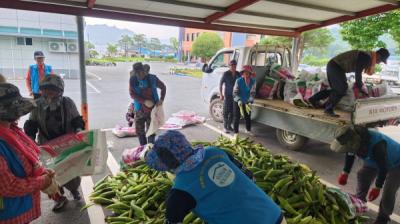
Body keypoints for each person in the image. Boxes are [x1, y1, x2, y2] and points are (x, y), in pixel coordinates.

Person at [144, 130, 285, 224]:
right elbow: (250, 176)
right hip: (274, 214)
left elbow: (172, 221)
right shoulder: (215, 152)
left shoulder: (180, 192)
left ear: (165, 165)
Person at [24, 75, 85, 212]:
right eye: (46, 89)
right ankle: (59, 197)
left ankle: (74, 190)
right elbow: (31, 124)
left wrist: (79, 130)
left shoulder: (67, 102)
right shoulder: (38, 104)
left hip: (66, 144)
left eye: (52, 90)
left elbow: (77, 119)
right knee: (51, 174)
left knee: (71, 171)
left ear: (60, 90)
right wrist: (30, 139)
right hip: (46, 145)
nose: (49, 93)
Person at [0, 83, 54, 224]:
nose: (19, 115)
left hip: (20, 209)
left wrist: (40, 172)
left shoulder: (10, 130)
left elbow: (22, 160)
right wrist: (41, 181)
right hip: (8, 216)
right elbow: (8, 186)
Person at [332, 126, 400, 224]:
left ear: (354, 142)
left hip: (397, 163)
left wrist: (377, 187)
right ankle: (360, 202)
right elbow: (350, 154)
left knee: (388, 191)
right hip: (376, 160)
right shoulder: (351, 141)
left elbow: (383, 168)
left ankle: (383, 218)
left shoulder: (377, 145)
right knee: (363, 175)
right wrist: (345, 172)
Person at [309, 48, 390, 117]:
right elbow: (358, 73)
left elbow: (358, 74)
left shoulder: (368, 56)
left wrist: (360, 85)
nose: (379, 62)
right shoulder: (367, 57)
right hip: (335, 66)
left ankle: (313, 99)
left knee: (337, 89)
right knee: (342, 89)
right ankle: (328, 109)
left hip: (335, 66)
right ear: (378, 55)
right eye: (381, 60)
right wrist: (361, 87)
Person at [129, 62, 166, 146]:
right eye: (137, 74)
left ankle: (150, 149)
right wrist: (144, 101)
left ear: (144, 71)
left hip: (152, 110)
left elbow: (163, 87)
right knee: (139, 131)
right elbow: (132, 94)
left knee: (151, 131)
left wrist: (161, 99)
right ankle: (143, 149)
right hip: (139, 110)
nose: (139, 76)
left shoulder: (152, 79)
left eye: (141, 73)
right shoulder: (133, 79)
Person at [233, 65, 256, 136]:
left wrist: (250, 100)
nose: (246, 74)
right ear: (242, 73)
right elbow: (234, 92)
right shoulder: (238, 81)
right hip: (238, 102)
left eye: (247, 72)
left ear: (250, 73)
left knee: (248, 116)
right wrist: (238, 100)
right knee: (237, 117)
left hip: (247, 102)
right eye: (244, 72)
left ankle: (248, 130)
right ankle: (236, 132)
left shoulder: (253, 81)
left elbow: (253, 92)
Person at [219, 60, 240, 133]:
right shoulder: (226, 74)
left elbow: (242, 81)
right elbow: (221, 84)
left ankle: (229, 126)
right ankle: (225, 127)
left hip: (235, 96)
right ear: (229, 66)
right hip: (227, 96)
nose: (233, 67)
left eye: (234, 65)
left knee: (232, 112)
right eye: (231, 65)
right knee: (226, 111)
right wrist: (221, 95)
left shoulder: (238, 73)